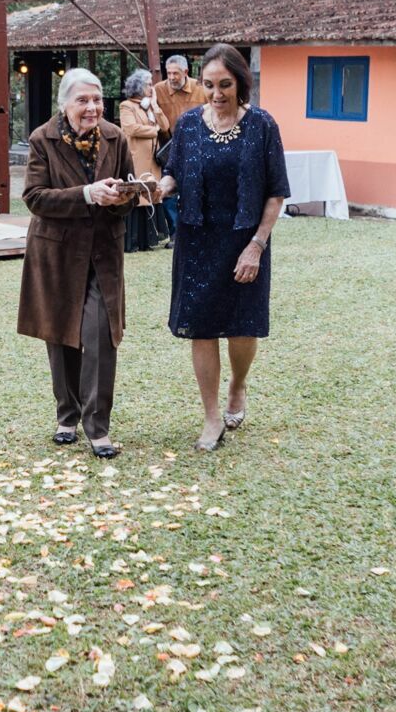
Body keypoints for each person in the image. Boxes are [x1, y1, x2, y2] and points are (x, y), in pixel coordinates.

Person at [156, 44, 290, 452]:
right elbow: (174, 172)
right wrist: (159, 187)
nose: (217, 93)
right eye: (210, 84)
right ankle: (212, 416)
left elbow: (275, 193)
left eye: (226, 84)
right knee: (201, 326)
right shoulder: (190, 124)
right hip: (197, 240)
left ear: (241, 83)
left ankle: (238, 384)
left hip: (244, 239)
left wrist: (256, 246)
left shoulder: (263, 125)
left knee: (242, 327)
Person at [19, 68, 132, 457]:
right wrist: (85, 193)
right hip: (57, 252)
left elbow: (131, 188)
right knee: (62, 334)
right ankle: (66, 415)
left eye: (97, 100)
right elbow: (35, 197)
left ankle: (98, 426)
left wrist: (124, 197)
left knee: (101, 334)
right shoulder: (41, 139)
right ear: (64, 104)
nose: (92, 107)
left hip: (103, 251)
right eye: (82, 100)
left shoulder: (116, 138)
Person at [154, 55, 208, 234]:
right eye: (168, 73)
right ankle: (176, 231)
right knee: (168, 188)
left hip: (199, 145)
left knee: (196, 186)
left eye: (175, 73)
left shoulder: (201, 89)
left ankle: (196, 226)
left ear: (185, 72)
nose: (171, 77)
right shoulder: (158, 90)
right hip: (170, 147)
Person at [119, 67, 169, 253]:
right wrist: (153, 130)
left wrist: (155, 106)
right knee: (137, 197)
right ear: (139, 86)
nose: (151, 87)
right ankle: (132, 241)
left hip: (153, 161)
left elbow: (165, 126)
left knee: (150, 197)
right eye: (148, 84)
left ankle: (147, 240)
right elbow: (131, 128)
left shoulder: (149, 106)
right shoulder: (126, 106)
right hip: (137, 158)